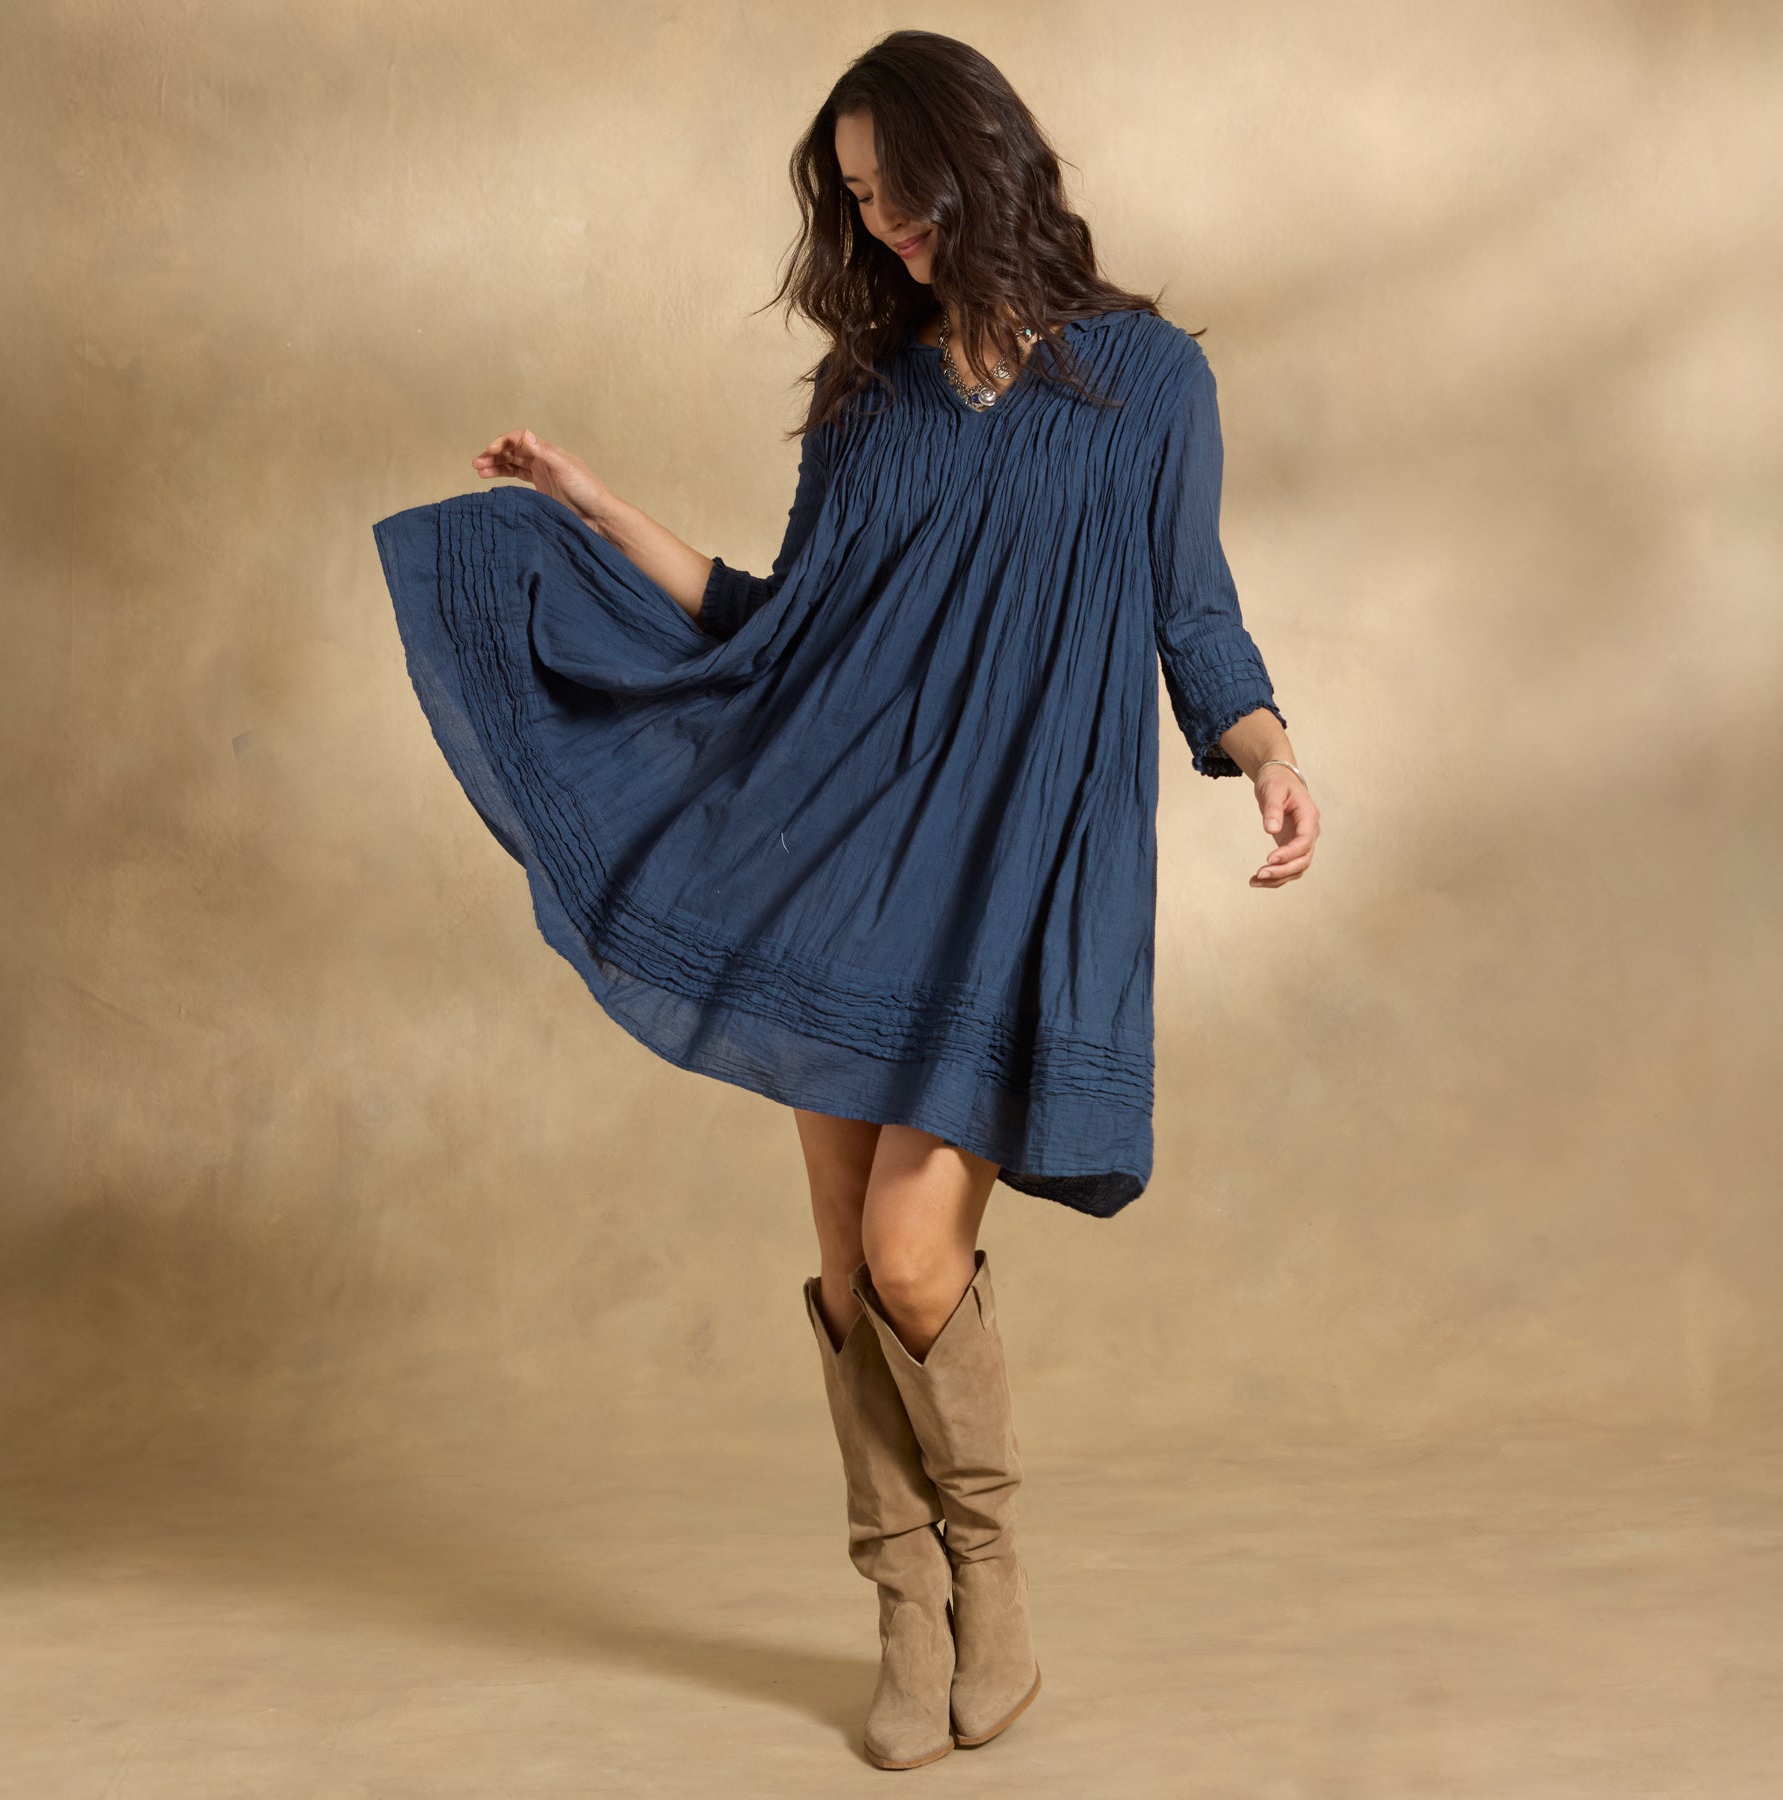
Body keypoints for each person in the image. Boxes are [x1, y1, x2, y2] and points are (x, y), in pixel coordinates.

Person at [372, 27, 1319, 1773]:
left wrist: (1262, 749)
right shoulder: (867, 401)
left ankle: (991, 1582)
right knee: (840, 1260)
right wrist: (591, 504)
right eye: (859, 199)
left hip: (1012, 861)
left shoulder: (1146, 379)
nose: (882, 226)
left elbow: (1190, 605)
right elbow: (782, 629)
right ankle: (903, 1609)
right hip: (848, 856)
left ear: (987, 157)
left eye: (901, 189)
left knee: (909, 1251)